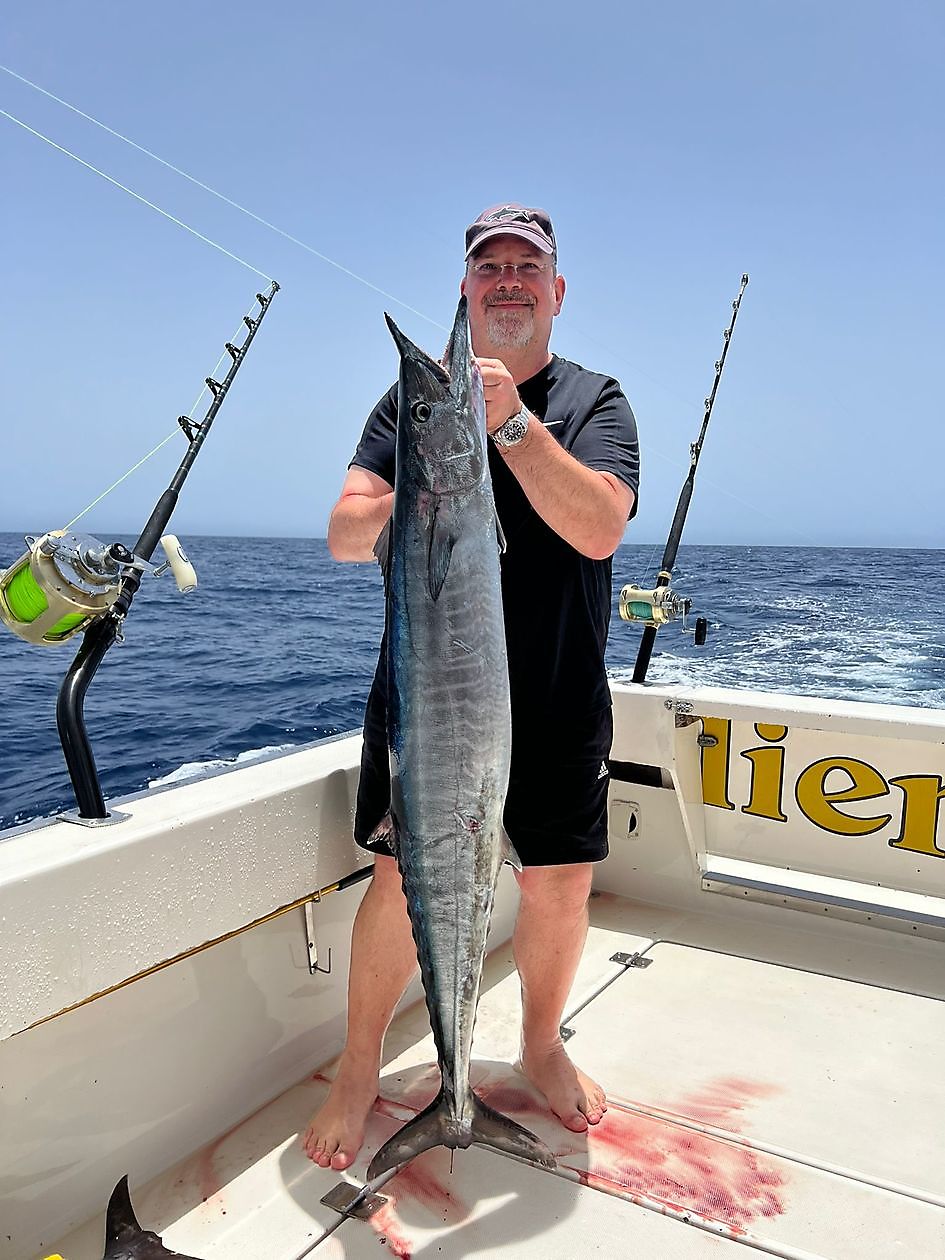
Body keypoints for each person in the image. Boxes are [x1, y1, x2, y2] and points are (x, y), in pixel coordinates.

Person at [303, 204, 639, 1171]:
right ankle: (358, 1069)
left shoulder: (594, 401)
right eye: (488, 266)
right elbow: (343, 533)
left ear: (555, 291)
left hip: (557, 694)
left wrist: (512, 428)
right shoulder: (411, 405)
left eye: (525, 267)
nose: (506, 281)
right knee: (399, 874)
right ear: (465, 286)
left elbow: (600, 528)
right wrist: (434, 474)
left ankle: (539, 1047)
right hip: (431, 700)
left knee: (558, 884)